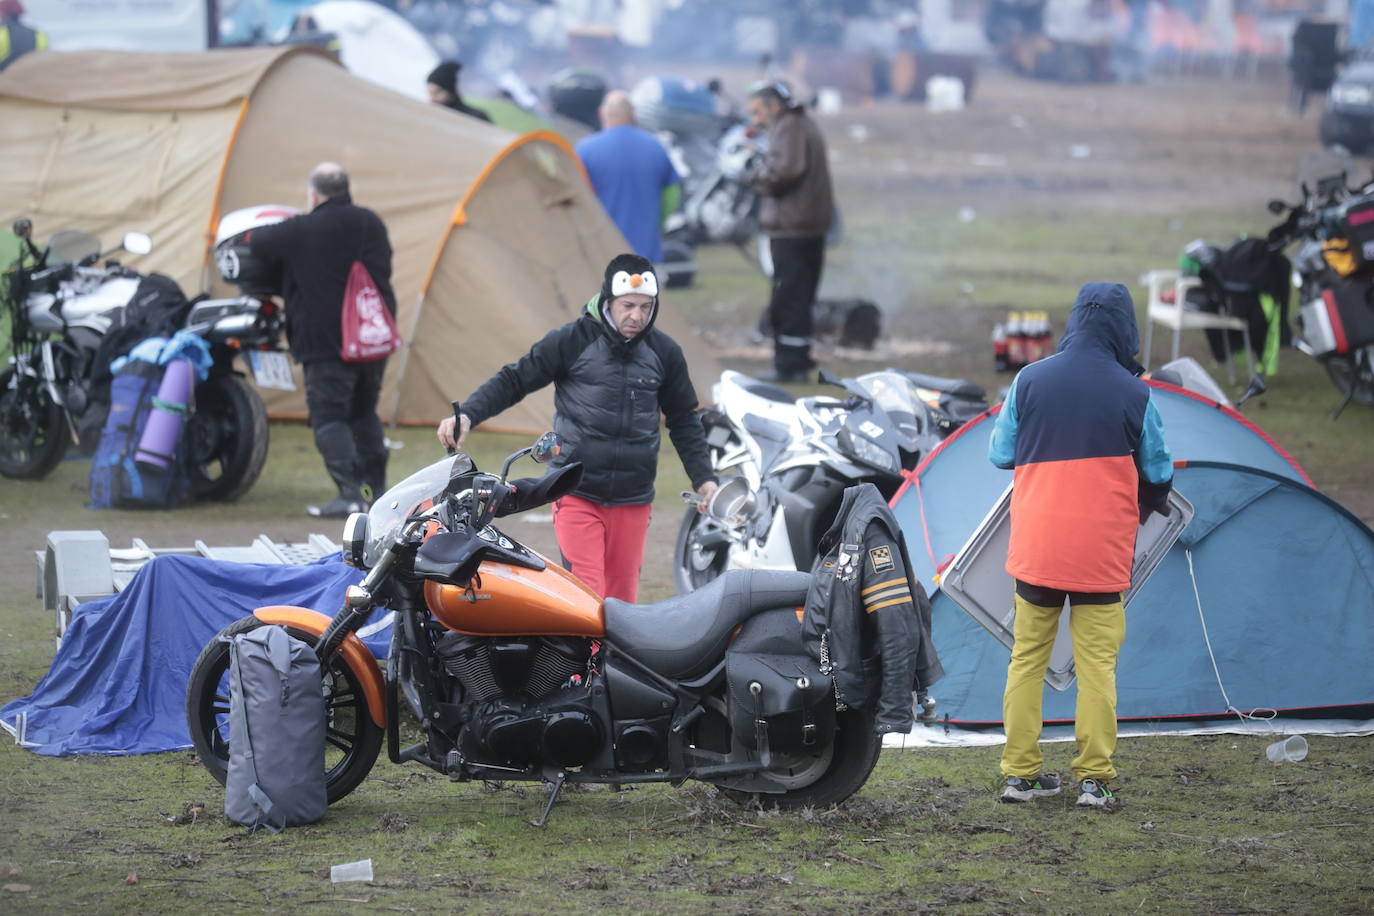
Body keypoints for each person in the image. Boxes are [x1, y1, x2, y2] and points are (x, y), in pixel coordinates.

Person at [436, 253, 718, 602]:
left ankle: (612, 660)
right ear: (608, 301)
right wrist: (468, 415)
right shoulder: (572, 340)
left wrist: (704, 478)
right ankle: (588, 659)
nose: (637, 316)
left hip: (634, 496)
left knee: (622, 601)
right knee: (587, 595)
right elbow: (515, 379)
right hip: (576, 490)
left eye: (646, 307)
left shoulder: (665, 352)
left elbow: (684, 420)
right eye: (628, 305)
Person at [987, 282, 1173, 809]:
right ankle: (1095, 779)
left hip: (1038, 548)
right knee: (1097, 668)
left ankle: (1020, 776)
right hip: (1100, 553)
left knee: (1027, 658)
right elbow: (1159, 470)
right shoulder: (1136, 393)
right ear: (1124, 329)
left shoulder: (1029, 379)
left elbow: (1001, 454)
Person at [250, 162, 397, 518]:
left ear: (313, 194)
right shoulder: (371, 222)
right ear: (346, 189)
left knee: (330, 418)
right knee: (364, 413)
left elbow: (258, 242)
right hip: (370, 341)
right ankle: (375, 493)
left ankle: (349, 493)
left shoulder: (301, 228)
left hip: (326, 343)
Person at [746, 81, 835, 384]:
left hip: (791, 229)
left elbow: (784, 171)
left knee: (789, 296)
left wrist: (754, 175)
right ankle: (795, 358)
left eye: (758, 111)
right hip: (805, 226)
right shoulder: (801, 125)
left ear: (774, 106)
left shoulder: (790, 128)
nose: (756, 119)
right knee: (798, 295)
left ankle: (790, 365)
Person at [574, 91, 681, 264]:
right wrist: (658, 224)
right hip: (646, 253)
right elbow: (672, 193)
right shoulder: (655, 147)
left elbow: (576, 198)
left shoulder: (584, 150)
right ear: (632, 113)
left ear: (603, 113)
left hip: (603, 254)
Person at [426, 60, 492, 123]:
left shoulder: (476, 117)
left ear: (451, 90)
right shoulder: (429, 117)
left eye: (437, 92)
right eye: (430, 93)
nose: (432, 98)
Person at [0, 0, 47, 73]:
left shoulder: (2, 32)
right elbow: (44, 58)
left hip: (6, 79)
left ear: (3, 13)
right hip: (32, 77)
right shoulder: (37, 34)